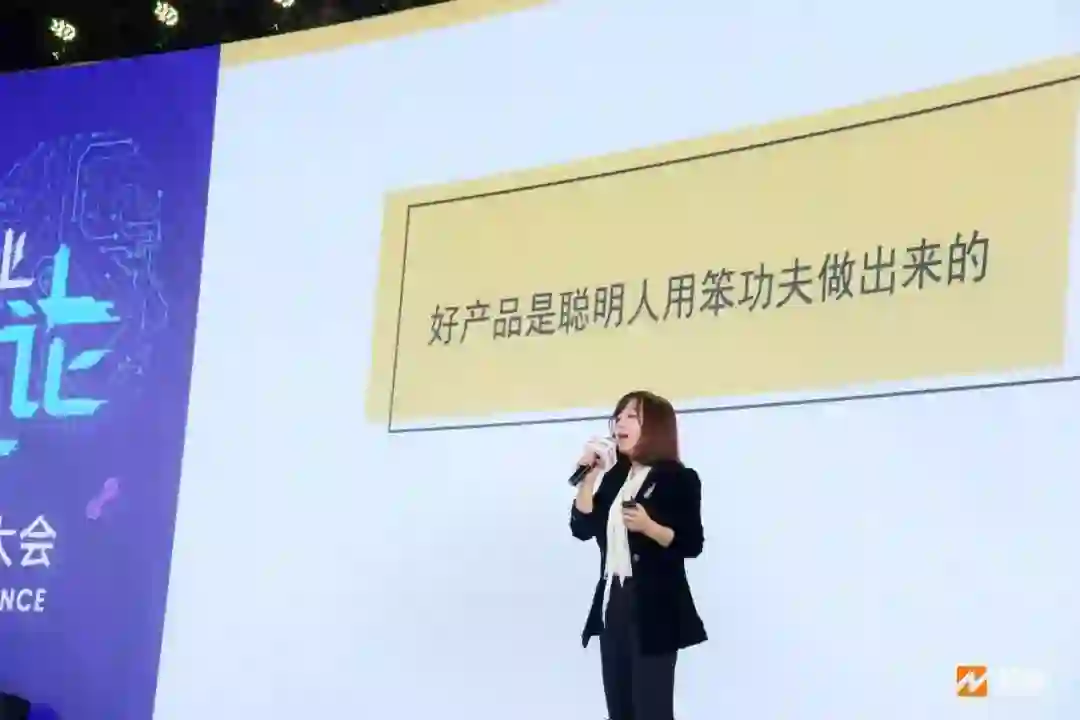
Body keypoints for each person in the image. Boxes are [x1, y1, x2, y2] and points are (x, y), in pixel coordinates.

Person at [569, 390, 706, 720]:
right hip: (612, 603)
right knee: (620, 709)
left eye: (631, 416)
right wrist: (588, 479)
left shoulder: (677, 478)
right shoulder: (615, 478)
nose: (620, 423)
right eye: (618, 416)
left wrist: (650, 527)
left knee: (651, 710)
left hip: (653, 608)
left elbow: (691, 543)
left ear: (655, 427)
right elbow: (582, 527)